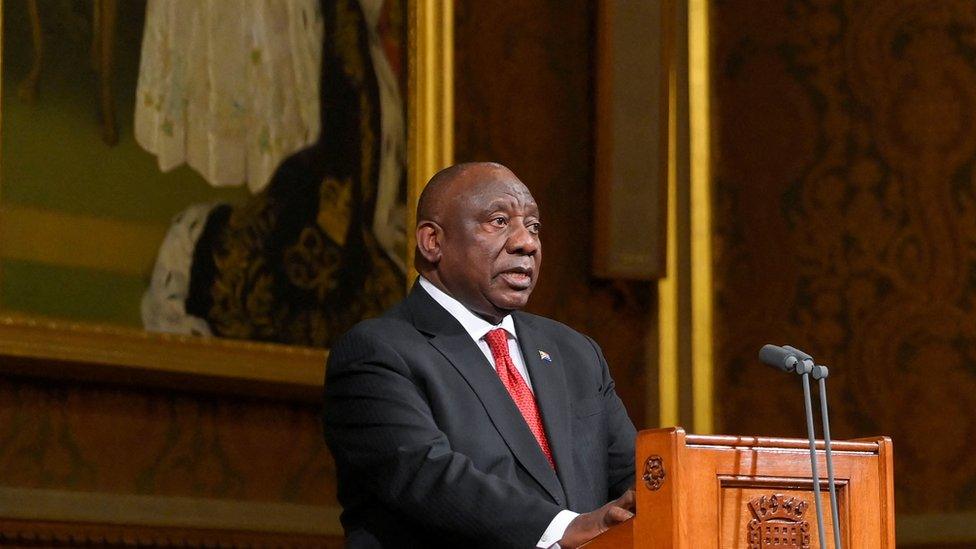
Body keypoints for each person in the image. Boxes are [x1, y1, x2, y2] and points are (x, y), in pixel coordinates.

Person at [323, 162, 637, 548]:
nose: (528, 243)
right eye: (499, 221)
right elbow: (427, 477)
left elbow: (636, 477)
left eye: (534, 226)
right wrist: (563, 528)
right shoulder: (378, 352)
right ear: (432, 242)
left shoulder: (575, 353)